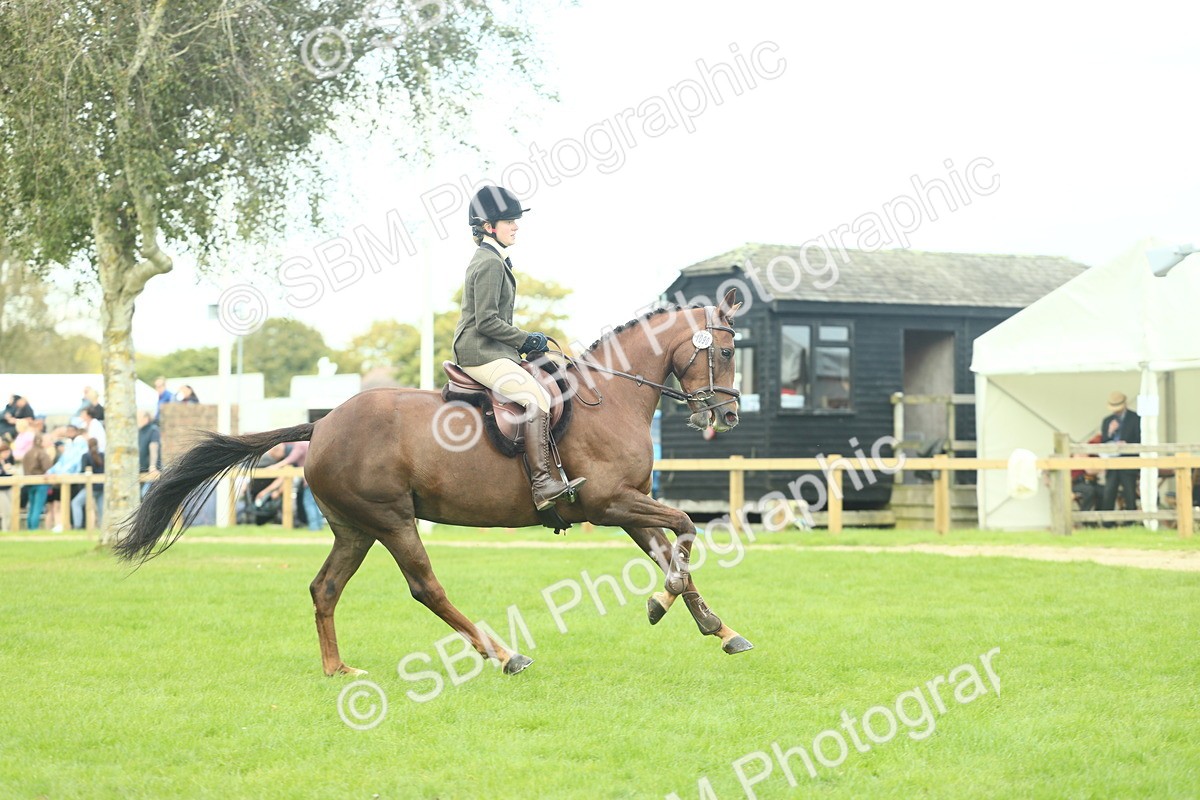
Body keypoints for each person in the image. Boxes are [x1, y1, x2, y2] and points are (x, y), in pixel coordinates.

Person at [449, 185, 585, 511]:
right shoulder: (489, 262)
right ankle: (543, 486)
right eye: (509, 220)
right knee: (535, 398)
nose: (516, 225)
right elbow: (486, 322)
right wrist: (525, 340)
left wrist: (523, 344)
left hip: (493, 350)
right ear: (488, 227)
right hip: (478, 351)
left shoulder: (496, 259)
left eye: (515, 220)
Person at [1098, 390, 1141, 527]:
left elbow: (1140, 439)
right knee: (1109, 491)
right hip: (1112, 461)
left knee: (1129, 492)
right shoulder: (1107, 421)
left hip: (1128, 461)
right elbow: (1104, 441)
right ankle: (1108, 522)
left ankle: (1130, 521)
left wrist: (1127, 445)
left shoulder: (1135, 419)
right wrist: (1110, 432)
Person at [21, 433, 53, 530]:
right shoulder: (42, 453)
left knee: (31, 506)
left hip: (29, 482)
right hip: (40, 483)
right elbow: (48, 468)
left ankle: (30, 527)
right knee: (37, 507)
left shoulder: (27, 453)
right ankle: (34, 528)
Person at [71, 438, 104, 529]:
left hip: (91, 487)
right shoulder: (102, 455)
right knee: (101, 508)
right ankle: (103, 527)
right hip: (102, 487)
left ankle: (77, 526)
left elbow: (83, 471)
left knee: (76, 503)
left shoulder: (86, 456)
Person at [137, 410, 162, 497]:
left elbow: (153, 448)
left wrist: (152, 466)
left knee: (146, 495)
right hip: (140, 471)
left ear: (146, 418)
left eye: (139, 417)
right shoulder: (139, 431)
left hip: (151, 472)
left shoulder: (153, 430)